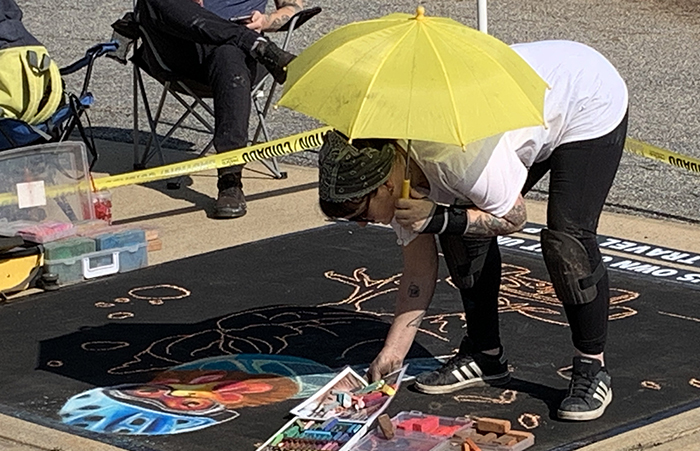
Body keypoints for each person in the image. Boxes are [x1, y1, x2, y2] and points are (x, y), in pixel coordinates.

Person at [316, 40, 628, 422]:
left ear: (383, 185)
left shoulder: (457, 159)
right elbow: (418, 271)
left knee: (568, 241)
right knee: (458, 227)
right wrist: (393, 353)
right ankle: (485, 354)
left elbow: (514, 218)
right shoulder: (393, 173)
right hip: (520, 114)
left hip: (586, 94)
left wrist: (439, 218)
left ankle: (592, 368)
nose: (362, 224)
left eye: (358, 214)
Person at [136, 0, 301, 219]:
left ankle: (230, 180)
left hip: (237, 59)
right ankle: (252, 42)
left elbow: (294, 8)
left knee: (228, 54)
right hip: (183, 51)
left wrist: (266, 20)